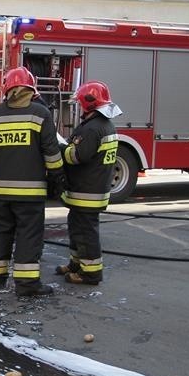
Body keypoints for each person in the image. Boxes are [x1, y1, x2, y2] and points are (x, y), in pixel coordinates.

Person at [0, 67, 65, 297]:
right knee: (28, 235)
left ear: (6, 89)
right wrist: (58, 179)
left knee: (0, 233)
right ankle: (27, 285)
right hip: (31, 192)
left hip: (0, 191)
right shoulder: (40, 114)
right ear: (31, 89)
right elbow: (51, 152)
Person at [56, 80, 122, 286]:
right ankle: (77, 264)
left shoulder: (93, 128)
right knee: (77, 229)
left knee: (85, 233)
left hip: (87, 191)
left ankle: (91, 274)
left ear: (88, 102)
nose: (79, 107)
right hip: (91, 189)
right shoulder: (103, 124)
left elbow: (77, 156)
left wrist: (61, 148)